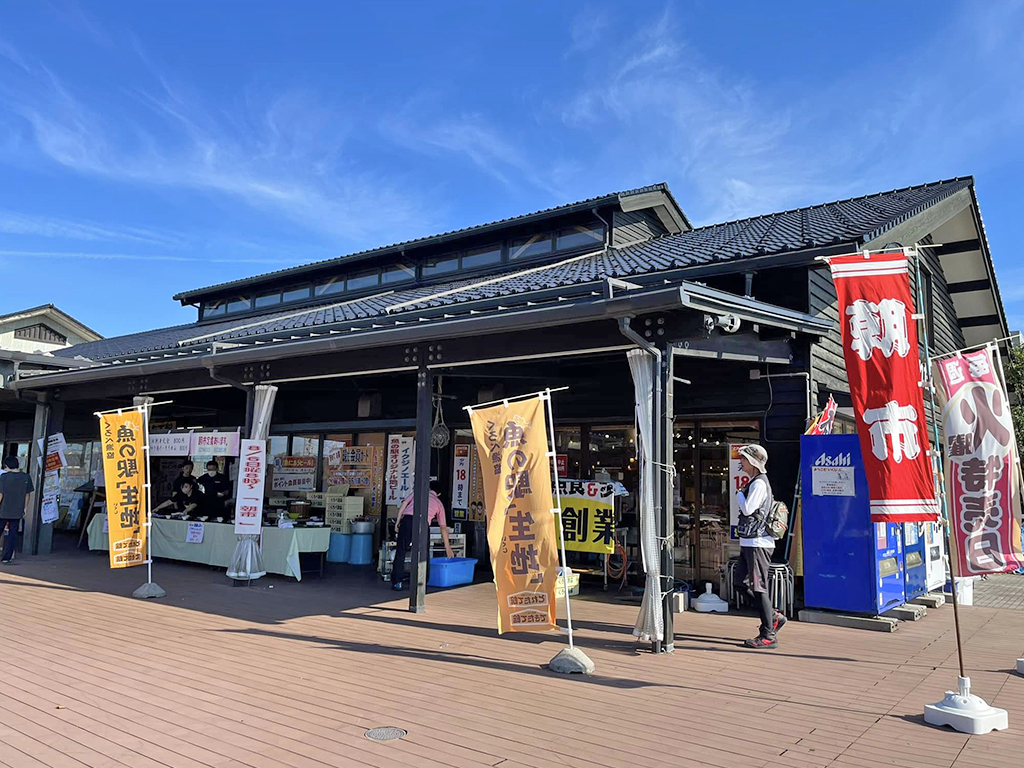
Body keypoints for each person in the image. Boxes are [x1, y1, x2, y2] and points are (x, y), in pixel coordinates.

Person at [733, 444, 786, 649]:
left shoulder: (759, 484)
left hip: (758, 542)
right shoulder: (756, 481)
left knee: (759, 586)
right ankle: (772, 616)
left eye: (744, 459)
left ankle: (768, 635)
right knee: (740, 583)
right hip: (751, 541)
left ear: (753, 462)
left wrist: (738, 494)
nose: (741, 462)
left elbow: (748, 509)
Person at [391, 481, 454, 591]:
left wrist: (397, 522)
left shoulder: (417, 493)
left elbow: (404, 504)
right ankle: (421, 582)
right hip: (423, 523)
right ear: (439, 494)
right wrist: (448, 548)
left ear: (429, 488)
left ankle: (397, 582)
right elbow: (443, 527)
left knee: (401, 550)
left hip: (407, 520)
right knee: (423, 553)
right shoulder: (439, 503)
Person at [0, 456, 34, 564]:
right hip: (17, 510)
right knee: (12, 534)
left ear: (6, 466)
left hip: (3, 509)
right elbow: (27, 494)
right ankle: (7, 557)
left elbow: (1, 494)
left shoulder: (4, 477)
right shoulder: (26, 477)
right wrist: (25, 507)